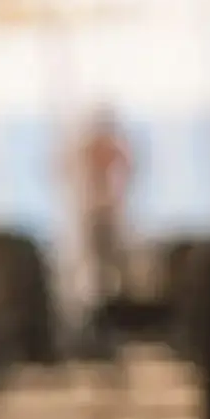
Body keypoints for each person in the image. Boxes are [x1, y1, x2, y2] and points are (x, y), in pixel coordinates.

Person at [63, 104, 135, 307]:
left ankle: (116, 301)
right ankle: (97, 301)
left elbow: (129, 167)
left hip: (110, 211)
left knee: (117, 261)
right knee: (95, 262)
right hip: (93, 212)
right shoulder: (88, 148)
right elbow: (66, 168)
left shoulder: (112, 149)